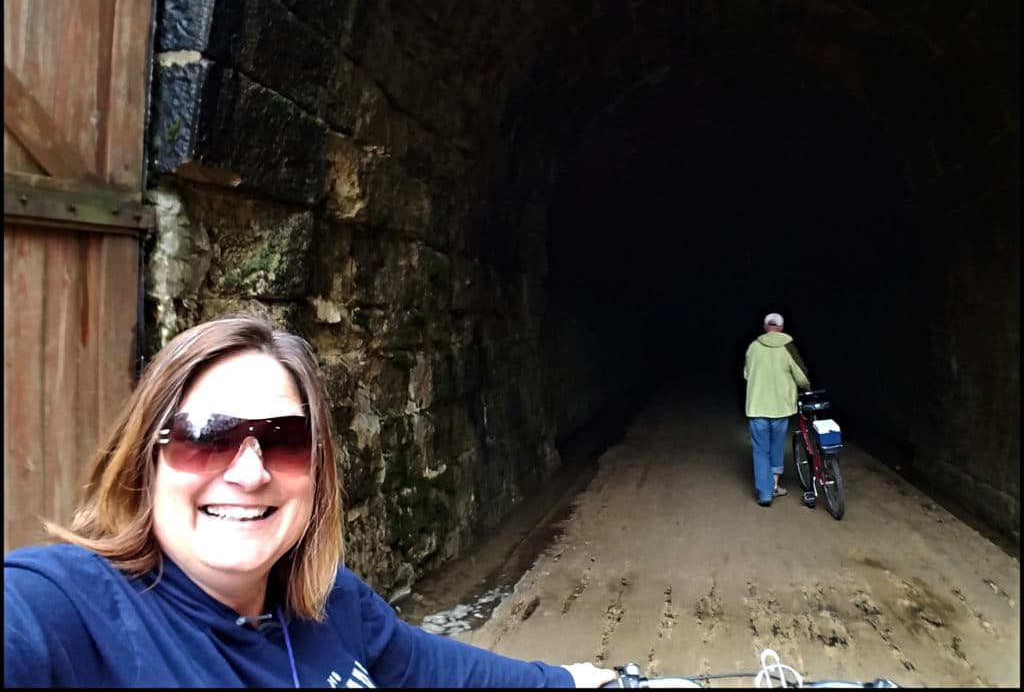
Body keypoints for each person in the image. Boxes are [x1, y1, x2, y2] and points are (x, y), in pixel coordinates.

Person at [4, 313, 618, 688]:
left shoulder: (324, 600)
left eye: (284, 440)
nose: (249, 472)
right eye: (208, 437)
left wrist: (571, 682)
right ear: (148, 457)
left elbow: (430, 670)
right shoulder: (67, 609)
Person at [742, 312, 811, 507]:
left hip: (757, 408)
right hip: (780, 409)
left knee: (760, 450)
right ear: (781, 328)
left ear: (765, 328)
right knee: (776, 446)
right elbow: (801, 377)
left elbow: (747, 373)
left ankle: (765, 494)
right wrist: (806, 387)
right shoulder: (788, 348)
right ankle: (774, 485)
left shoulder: (753, 347)